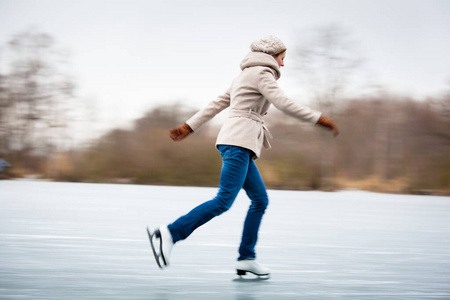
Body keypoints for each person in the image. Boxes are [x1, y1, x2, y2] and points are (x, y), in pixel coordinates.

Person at [147, 35, 339, 277]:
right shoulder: (261, 74)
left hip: (238, 143)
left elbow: (216, 103)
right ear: (272, 55)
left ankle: (246, 258)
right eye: (282, 58)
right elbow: (284, 103)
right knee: (224, 200)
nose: (283, 64)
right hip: (238, 143)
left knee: (260, 200)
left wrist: (189, 126)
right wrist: (319, 118)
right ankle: (171, 233)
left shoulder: (244, 75)